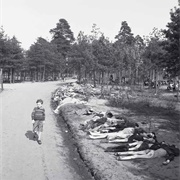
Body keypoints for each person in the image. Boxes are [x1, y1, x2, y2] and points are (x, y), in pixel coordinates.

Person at [115, 141, 180, 165]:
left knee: (135, 152)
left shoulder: (165, 146)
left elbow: (156, 145)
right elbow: (170, 157)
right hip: (152, 154)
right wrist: (167, 161)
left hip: (150, 150)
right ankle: (120, 158)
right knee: (136, 156)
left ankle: (119, 153)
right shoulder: (171, 153)